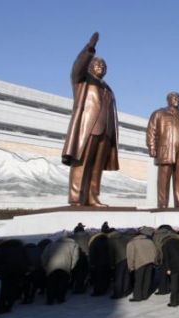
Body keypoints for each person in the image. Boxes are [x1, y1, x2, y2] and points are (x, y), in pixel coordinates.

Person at [62, 32, 119, 206]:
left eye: (104, 64)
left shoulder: (108, 88)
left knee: (96, 166)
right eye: (97, 63)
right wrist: (89, 49)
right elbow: (76, 68)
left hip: (105, 131)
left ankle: (93, 197)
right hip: (88, 128)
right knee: (82, 162)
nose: (101, 65)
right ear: (90, 66)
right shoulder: (82, 80)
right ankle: (76, 197)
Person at [146, 92, 179, 208]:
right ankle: (162, 203)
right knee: (164, 177)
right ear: (168, 100)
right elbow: (151, 130)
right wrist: (151, 146)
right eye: (174, 98)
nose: (177, 100)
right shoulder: (159, 113)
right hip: (166, 149)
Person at [41, 237, 79, 305]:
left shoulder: (50, 245)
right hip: (65, 266)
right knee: (62, 283)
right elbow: (75, 257)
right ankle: (60, 298)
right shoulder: (73, 245)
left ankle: (50, 300)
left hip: (51, 267)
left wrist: (45, 265)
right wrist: (71, 266)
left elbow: (44, 256)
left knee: (51, 284)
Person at [0, 239, 29, 314]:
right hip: (19, 271)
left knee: (4, 289)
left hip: (6, 272)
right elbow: (26, 259)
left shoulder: (1, 248)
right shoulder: (21, 248)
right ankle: (9, 306)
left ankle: (1, 307)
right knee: (14, 289)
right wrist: (26, 269)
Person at [127, 227, 159, 302]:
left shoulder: (132, 242)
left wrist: (130, 266)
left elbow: (130, 255)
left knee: (138, 281)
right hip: (150, 263)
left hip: (139, 263)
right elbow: (155, 252)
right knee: (147, 280)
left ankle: (137, 297)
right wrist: (155, 261)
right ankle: (145, 295)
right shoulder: (150, 241)